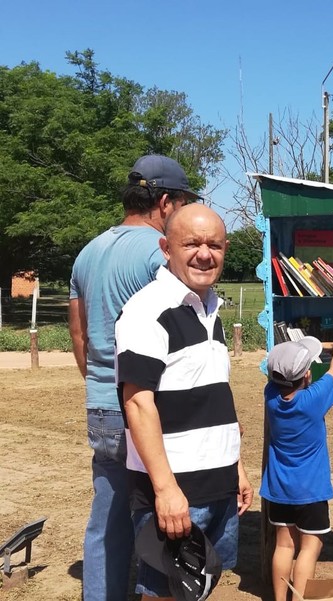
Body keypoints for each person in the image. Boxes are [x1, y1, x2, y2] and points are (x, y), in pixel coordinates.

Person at [69, 154, 198, 600]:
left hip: (101, 403)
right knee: (158, 513)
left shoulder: (88, 251)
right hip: (147, 407)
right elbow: (181, 336)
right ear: (165, 202)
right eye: (182, 203)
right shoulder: (158, 252)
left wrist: (103, 385)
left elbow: (80, 338)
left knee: (107, 515)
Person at [114, 203, 254, 601]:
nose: (204, 254)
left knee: (202, 585)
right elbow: (138, 404)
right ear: (166, 248)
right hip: (177, 490)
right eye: (191, 243)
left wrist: (236, 466)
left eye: (214, 244)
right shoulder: (148, 310)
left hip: (219, 483)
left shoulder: (211, 308)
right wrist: (166, 491)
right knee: (163, 592)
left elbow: (214, 397)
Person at [260, 330, 333, 601]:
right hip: (311, 490)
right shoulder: (313, 400)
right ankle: (299, 598)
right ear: (306, 375)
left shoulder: (270, 395)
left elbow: (274, 371)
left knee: (284, 545)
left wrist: (320, 347)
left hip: (279, 488)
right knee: (309, 548)